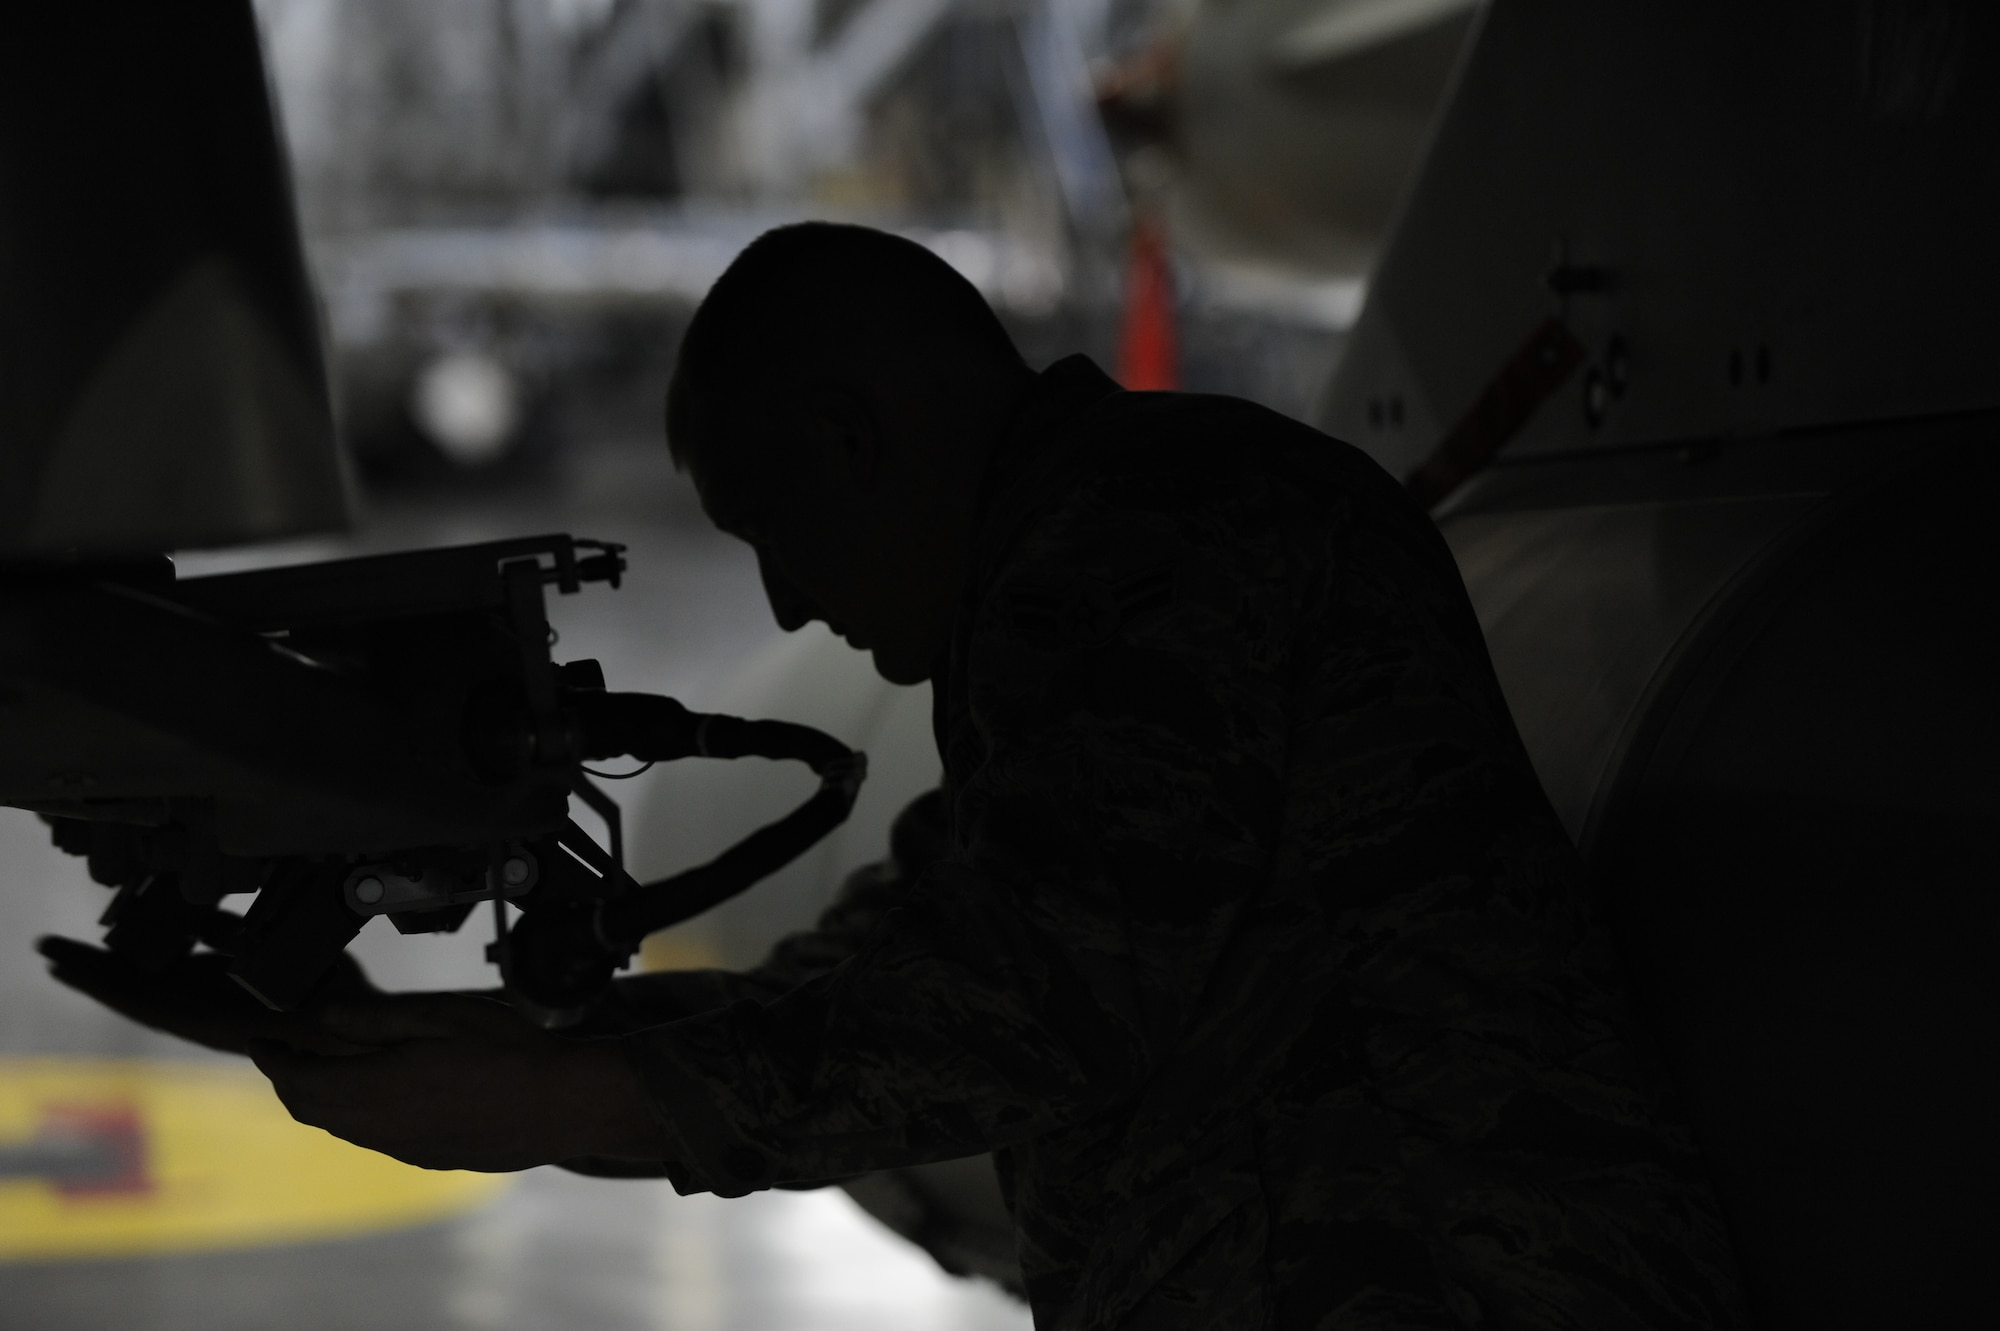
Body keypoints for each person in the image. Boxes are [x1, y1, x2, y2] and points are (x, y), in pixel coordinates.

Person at [44, 222, 1749, 1329]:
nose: (787, 599)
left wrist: (562, 1103)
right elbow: (934, 932)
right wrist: (541, 1048)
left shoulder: (1154, 540)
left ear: (863, 442)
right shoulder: (1093, 561)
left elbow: (1037, 997)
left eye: (776, 530)